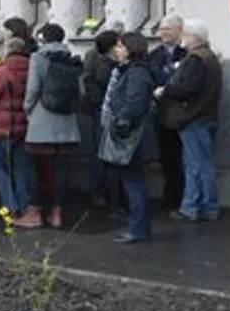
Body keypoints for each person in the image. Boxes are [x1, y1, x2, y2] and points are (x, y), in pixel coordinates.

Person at [155, 19, 222, 223]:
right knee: (200, 163)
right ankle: (201, 206)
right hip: (203, 116)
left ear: (194, 37)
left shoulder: (195, 59)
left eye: (184, 33)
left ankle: (196, 207)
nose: (181, 37)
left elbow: (186, 88)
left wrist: (165, 90)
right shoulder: (209, 56)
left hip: (193, 117)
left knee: (197, 165)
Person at [22, 24, 82, 228]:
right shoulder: (71, 58)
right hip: (67, 121)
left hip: (42, 118)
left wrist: (27, 108)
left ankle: (35, 211)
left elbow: (33, 88)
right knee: (62, 168)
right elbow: (79, 90)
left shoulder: (38, 57)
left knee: (33, 166)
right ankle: (58, 213)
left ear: (43, 38)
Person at [103, 32, 157, 244]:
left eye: (120, 46)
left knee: (134, 182)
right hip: (133, 135)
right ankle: (138, 227)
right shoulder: (132, 71)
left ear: (130, 49)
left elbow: (134, 104)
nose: (117, 50)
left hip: (132, 137)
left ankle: (138, 228)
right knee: (133, 181)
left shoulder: (136, 73)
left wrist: (120, 122)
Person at [0, 36, 33, 226]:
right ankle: (25, 205)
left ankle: (10, 205)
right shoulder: (31, 67)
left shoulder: (4, 70)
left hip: (2, 128)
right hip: (23, 126)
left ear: (8, 50)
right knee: (20, 167)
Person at [147, 15, 187, 212]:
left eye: (168, 29)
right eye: (162, 29)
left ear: (179, 30)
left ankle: (183, 197)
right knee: (167, 157)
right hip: (162, 113)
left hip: (184, 112)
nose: (164, 33)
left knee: (184, 159)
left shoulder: (187, 53)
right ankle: (170, 196)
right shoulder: (155, 55)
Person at [80, 30, 120, 210]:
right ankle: (97, 190)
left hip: (108, 108)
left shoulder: (110, 61)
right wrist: (99, 102)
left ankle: (109, 191)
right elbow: (91, 82)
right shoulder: (99, 61)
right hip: (101, 108)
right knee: (99, 150)